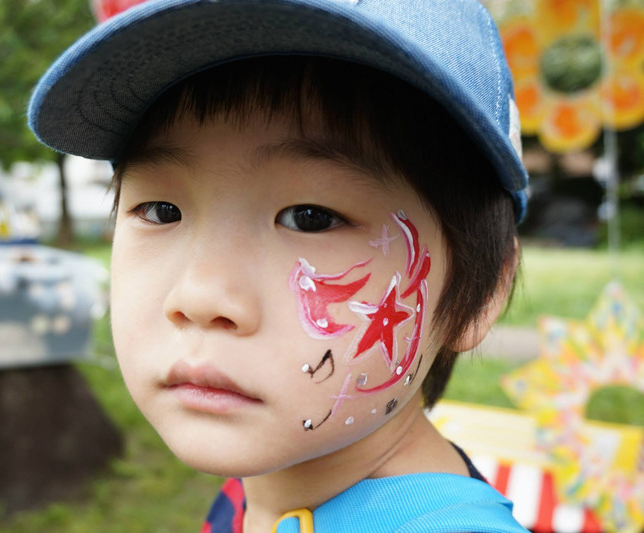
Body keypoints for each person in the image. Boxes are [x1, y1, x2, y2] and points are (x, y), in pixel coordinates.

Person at [28, 0, 530, 531]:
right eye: (160, 211)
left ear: (482, 293)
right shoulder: (255, 490)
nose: (199, 297)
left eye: (311, 218)